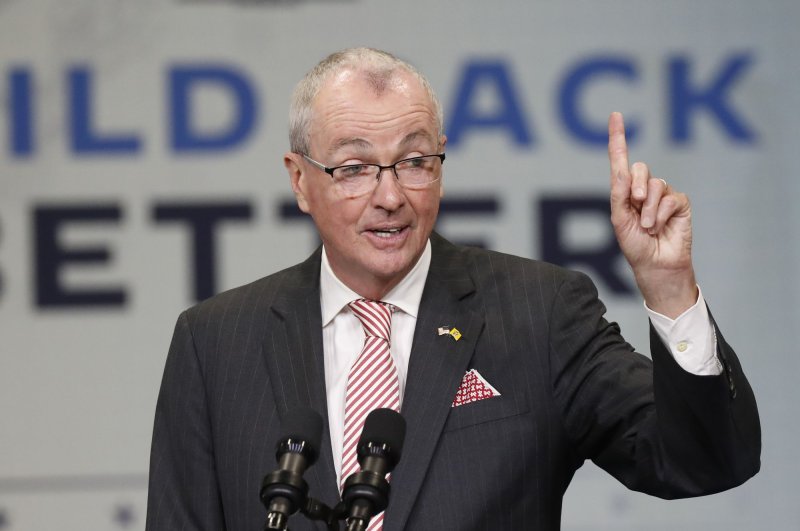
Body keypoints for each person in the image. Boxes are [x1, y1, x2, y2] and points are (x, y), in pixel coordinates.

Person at [145, 48, 760, 531]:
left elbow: (702, 462)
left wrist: (669, 287)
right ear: (300, 181)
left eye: (415, 162)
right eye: (354, 168)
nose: (391, 196)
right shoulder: (216, 342)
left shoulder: (538, 313)